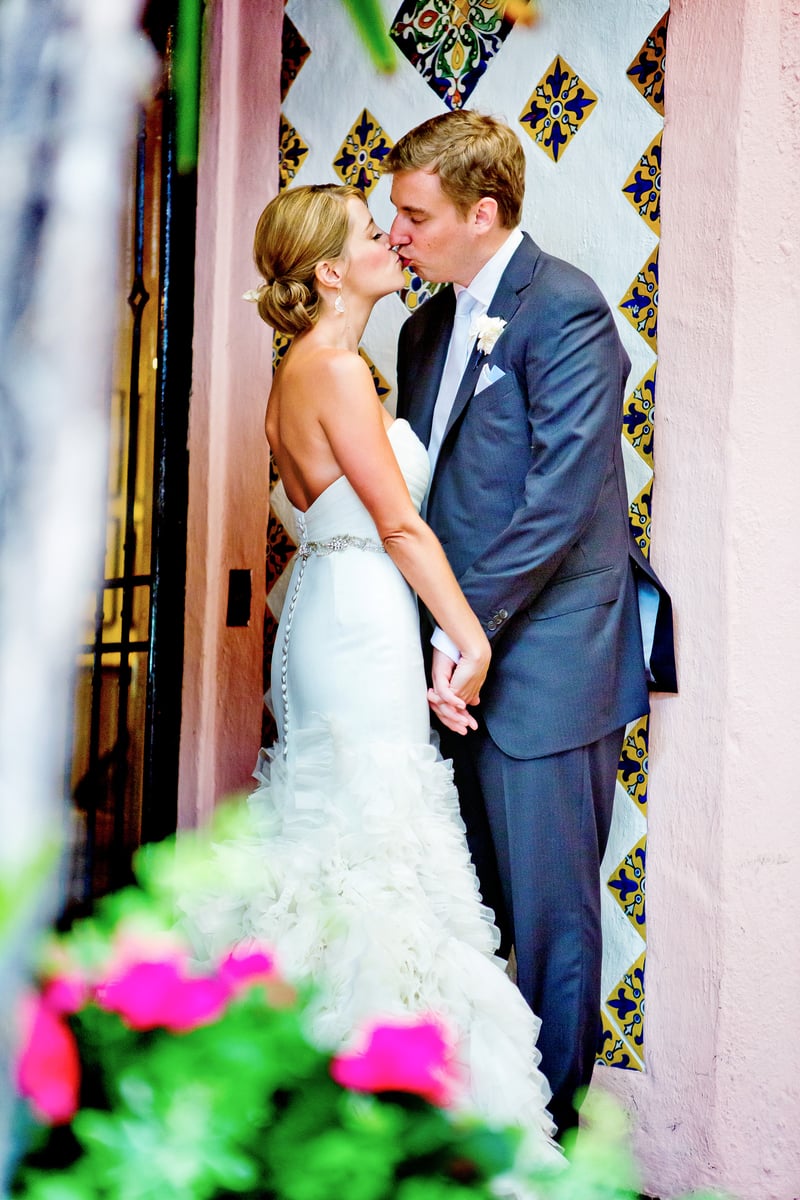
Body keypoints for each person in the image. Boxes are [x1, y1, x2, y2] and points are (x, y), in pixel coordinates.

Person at [178, 182, 562, 1170]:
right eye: (368, 233)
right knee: (372, 844)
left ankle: (306, 1094)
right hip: (355, 625)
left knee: (338, 839)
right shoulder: (336, 370)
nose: (391, 240)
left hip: (333, 612)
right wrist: (470, 639)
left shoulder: (307, 369)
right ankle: (377, 1108)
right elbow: (398, 525)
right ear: (327, 271)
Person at [384, 111, 677, 1137]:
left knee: (552, 921)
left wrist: (464, 629)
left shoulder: (566, 308)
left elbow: (559, 499)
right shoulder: (422, 329)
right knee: (457, 903)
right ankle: (462, 1124)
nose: (396, 234)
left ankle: (544, 1144)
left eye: (415, 215)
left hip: (547, 656)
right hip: (442, 662)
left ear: (483, 212)